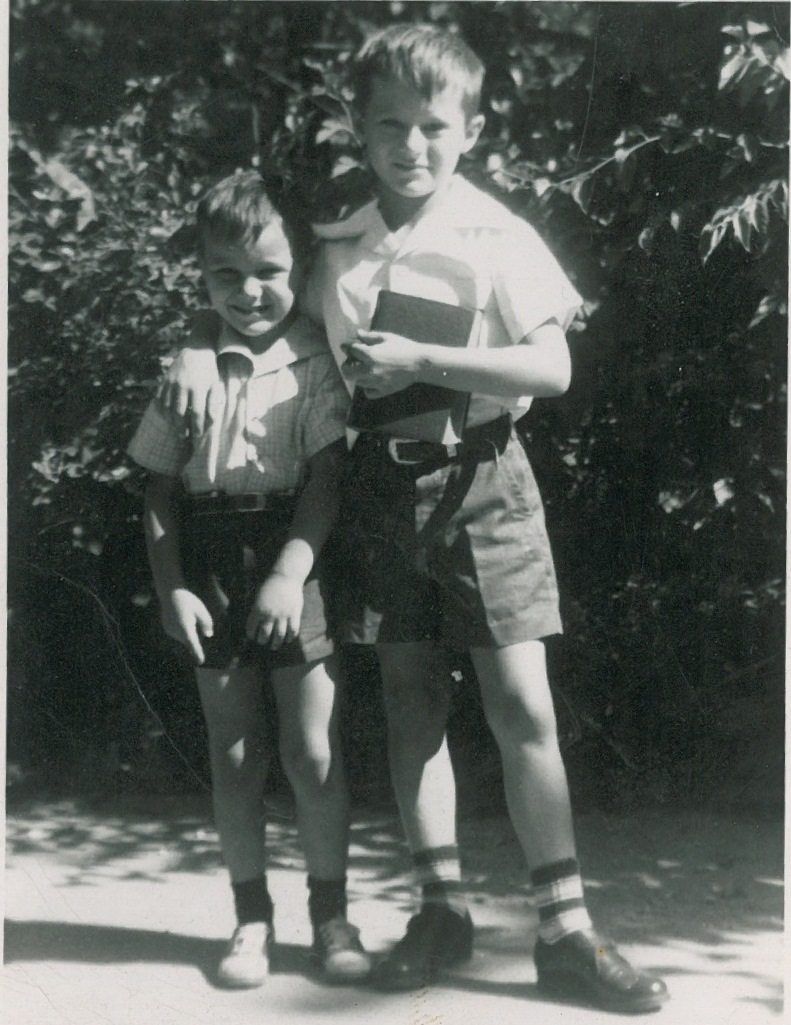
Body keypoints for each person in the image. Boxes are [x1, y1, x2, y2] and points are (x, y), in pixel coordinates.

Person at [158, 26, 669, 1014]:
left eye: (433, 125)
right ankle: (440, 909)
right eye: (389, 125)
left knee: (520, 704)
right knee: (409, 704)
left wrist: (427, 362)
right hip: (379, 494)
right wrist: (194, 343)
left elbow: (551, 367)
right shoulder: (338, 241)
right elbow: (256, 304)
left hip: (482, 477)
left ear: (469, 130)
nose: (411, 146)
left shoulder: (494, 233)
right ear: (358, 128)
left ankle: (565, 930)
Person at [128, 170, 371, 989]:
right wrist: (173, 587)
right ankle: (250, 917)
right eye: (225, 273)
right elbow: (158, 489)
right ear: (201, 275)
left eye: (268, 270)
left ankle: (331, 915)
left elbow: (328, 481)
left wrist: (289, 575)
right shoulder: (187, 371)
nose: (248, 290)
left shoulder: (315, 362)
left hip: (294, 549)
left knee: (311, 749)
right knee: (233, 754)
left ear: (299, 266)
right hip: (209, 558)